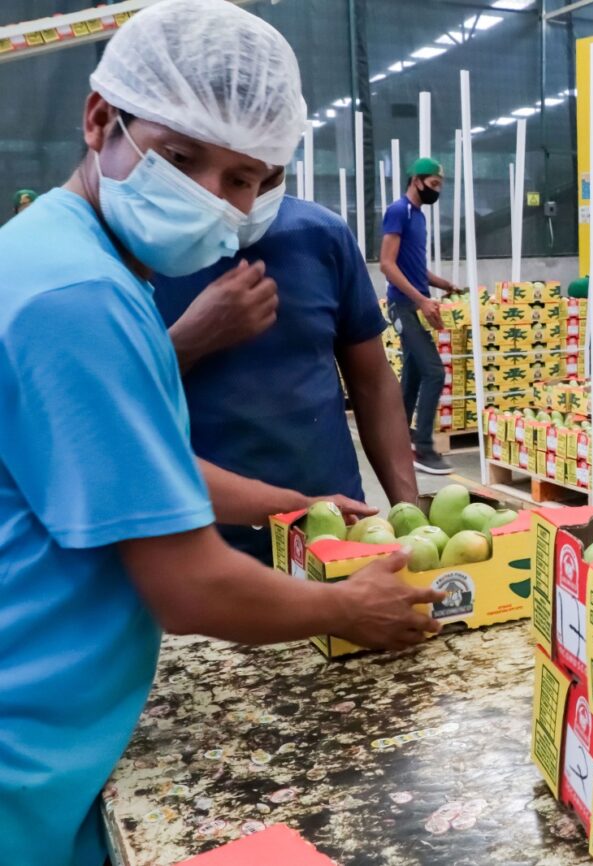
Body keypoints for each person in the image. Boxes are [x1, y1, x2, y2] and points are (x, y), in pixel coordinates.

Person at [0, 4, 441, 864]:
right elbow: (189, 586)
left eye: (245, 178)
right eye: (179, 160)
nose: (213, 198)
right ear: (100, 120)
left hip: (64, 729)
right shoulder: (77, 298)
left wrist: (296, 501)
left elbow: (136, 467)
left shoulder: (69, 256)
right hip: (27, 744)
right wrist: (346, 608)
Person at [152, 174, 420, 566]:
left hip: (332, 530)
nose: (251, 196)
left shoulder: (322, 235)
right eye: (238, 174)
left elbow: (374, 383)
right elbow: (113, 405)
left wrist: (410, 517)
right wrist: (191, 338)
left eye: (269, 176)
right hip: (202, 544)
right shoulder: (148, 251)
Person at [381, 157, 459, 475]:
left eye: (440, 186)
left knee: (413, 375)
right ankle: (423, 448)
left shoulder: (420, 217)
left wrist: (444, 285)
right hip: (402, 306)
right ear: (416, 181)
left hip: (413, 305)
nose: (437, 191)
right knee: (434, 372)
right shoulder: (398, 211)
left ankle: (396, 439)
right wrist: (423, 300)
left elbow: (414, 268)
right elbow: (387, 264)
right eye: (433, 184)